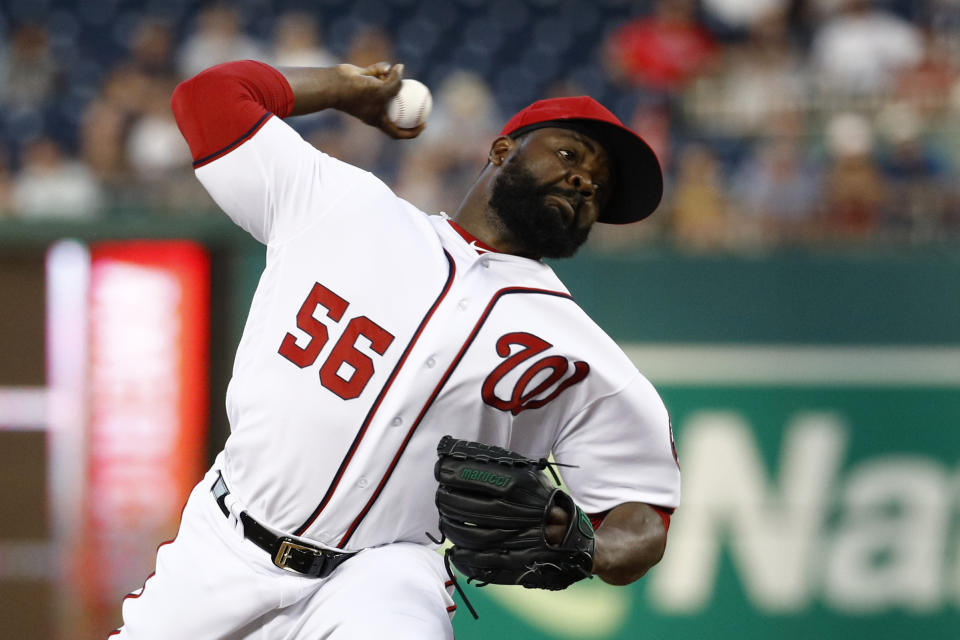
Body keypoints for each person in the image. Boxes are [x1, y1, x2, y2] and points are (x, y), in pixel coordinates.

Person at [110, 59, 681, 639]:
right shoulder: (344, 206)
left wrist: (587, 546)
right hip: (223, 545)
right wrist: (341, 88)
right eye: (569, 155)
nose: (585, 181)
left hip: (382, 576)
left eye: (599, 186)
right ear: (503, 150)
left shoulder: (582, 353)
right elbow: (207, 99)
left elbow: (642, 516)